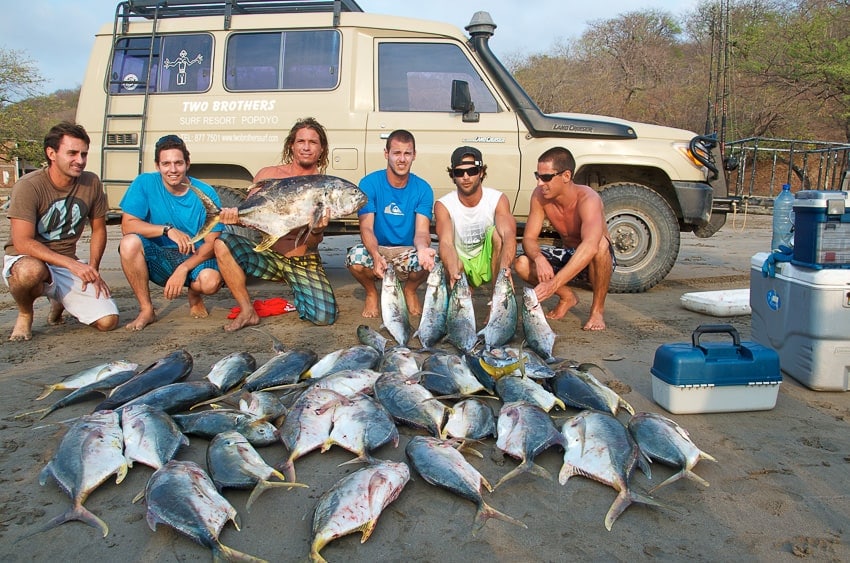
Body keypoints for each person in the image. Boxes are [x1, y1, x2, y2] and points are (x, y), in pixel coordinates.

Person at [215, 117, 335, 330]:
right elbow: (251, 217)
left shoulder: (324, 187)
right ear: (292, 145)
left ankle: (300, 290)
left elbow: (314, 243)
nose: (306, 147)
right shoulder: (268, 174)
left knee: (324, 317)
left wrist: (317, 229)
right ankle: (247, 310)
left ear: (321, 149)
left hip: (301, 259)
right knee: (221, 243)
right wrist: (236, 217)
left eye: (313, 142)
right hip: (267, 253)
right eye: (301, 141)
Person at [3, 122, 119, 341]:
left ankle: (59, 300)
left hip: (66, 262)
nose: (80, 160)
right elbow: (22, 242)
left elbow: (98, 229)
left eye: (84, 154)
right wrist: (73, 264)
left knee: (108, 321)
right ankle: (25, 312)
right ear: (52, 153)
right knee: (30, 272)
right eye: (72, 153)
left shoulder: (91, 182)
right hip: (25, 259)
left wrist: (92, 268)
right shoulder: (29, 185)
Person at [118, 134, 223, 331]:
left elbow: (212, 243)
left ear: (188, 163)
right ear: (157, 166)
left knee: (210, 282)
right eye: (166, 164)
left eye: (178, 163)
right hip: (160, 256)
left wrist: (183, 269)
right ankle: (147, 309)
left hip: (195, 255)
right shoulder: (144, 183)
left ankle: (194, 292)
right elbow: (127, 225)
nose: (173, 170)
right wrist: (167, 230)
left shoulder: (206, 193)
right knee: (129, 243)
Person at [513, 146, 614, 331]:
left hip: (595, 258)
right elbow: (528, 238)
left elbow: (590, 246)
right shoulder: (540, 196)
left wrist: (553, 284)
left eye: (546, 177)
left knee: (600, 244)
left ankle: (597, 310)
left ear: (566, 176)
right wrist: (539, 258)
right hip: (568, 253)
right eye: (537, 176)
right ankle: (568, 297)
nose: (539, 183)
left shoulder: (588, 199)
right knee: (522, 263)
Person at [346, 129, 437, 318]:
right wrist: (375, 254)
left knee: (429, 259)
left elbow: (421, 232)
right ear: (386, 154)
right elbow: (366, 228)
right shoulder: (369, 183)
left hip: (405, 250)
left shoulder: (423, 188)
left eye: (407, 153)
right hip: (377, 247)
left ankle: (409, 290)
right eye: (396, 153)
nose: (402, 159)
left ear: (414, 155)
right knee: (354, 258)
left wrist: (421, 249)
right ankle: (371, 292)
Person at [434, 146, 516, 289]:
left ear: (481, 172)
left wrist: (505, 271)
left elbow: (509, 235)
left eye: (471, 171)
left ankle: (497, 298)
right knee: (447, 257)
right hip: (461, 262)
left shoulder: (498, 199)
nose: (466, 177)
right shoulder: (443, 205)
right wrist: (453, 270)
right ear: (453, 176)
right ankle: (462, 292)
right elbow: (445, 243)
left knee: (499, 235)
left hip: (487, 260)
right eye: (459, 172)